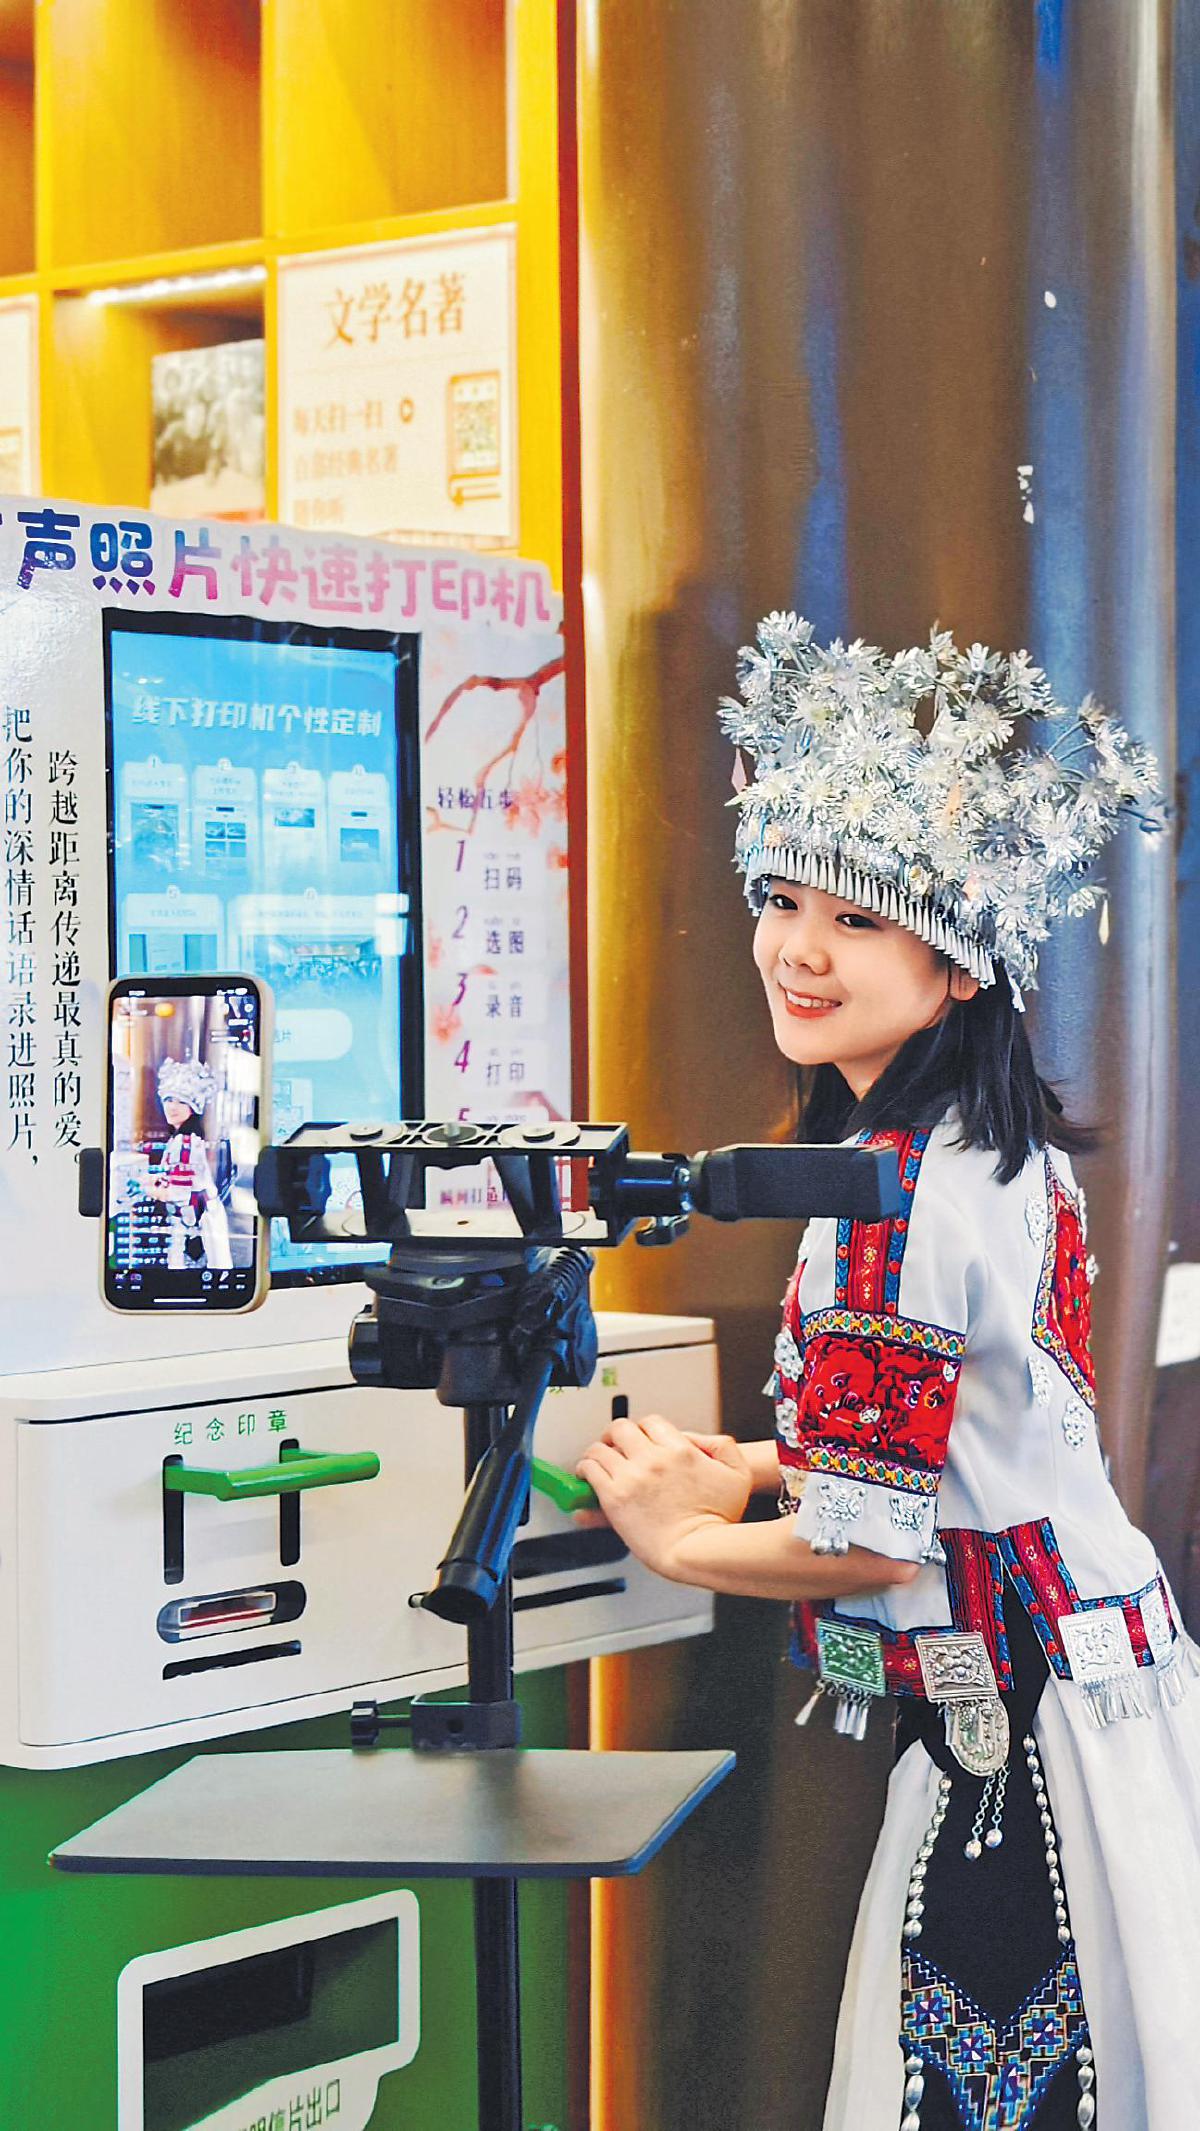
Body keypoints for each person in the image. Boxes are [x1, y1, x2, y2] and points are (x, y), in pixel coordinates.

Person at [577, 617, 1194, 2131]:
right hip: (1100, 1693)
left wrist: (681, 1537)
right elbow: (983, 1437)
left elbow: (873, 1539)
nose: (799, 950)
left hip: (1018, 1732)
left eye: (857, 918)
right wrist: (764, 1464)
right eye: (783, 899)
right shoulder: (1002, 1148)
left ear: (958, 961)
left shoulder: (887, 1196)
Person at [146, 1055, 232, 1270]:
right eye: (169, 1100)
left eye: (181, 1101)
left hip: (193, 1218)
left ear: (193, 1107)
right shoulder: (182, 1139)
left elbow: (180, 1192)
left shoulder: (184, 1143)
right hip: (197, 1215)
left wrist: (146, 1188)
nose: (172, 1107)